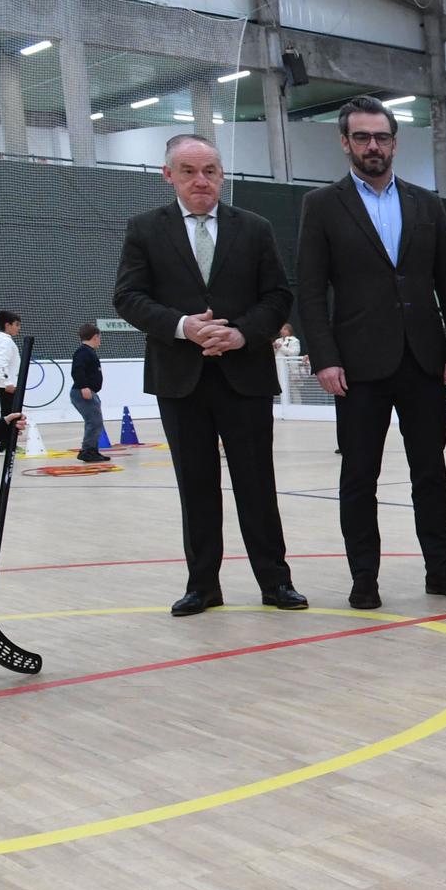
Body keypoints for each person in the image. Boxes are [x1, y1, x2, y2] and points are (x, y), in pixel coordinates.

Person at [295, 96, 446, 610]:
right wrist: (324, 357)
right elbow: (310, 290)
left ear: (395, 142)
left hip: (424, 360)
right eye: (362, 137)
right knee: (358, 476)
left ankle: (441, 570)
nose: (372, 146)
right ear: (345, 142)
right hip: (356, 366)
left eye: (381, 137)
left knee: (432, 474)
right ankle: (364, 578)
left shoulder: (426, 203)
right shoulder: (322, 205)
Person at [113, 133, 306, 616]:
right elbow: (129, 297)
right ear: (168, 175)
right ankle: (202, 585)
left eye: (210, 171)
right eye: (188, 171)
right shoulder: (144, 229)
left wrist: (241, 334)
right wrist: (183, 327)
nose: (201, 181)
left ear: (222, 175)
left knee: (256, 483)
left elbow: (278, 296)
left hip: (245, 375)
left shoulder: (255, 228)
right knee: (194, 484)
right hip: (179, 377)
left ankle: (275, 581)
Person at [70, 322, 110, 464]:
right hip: (83, 391)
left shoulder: (88, 352)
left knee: (94, 421)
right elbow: (77, 370)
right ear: (95, 337)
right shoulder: (83, 352)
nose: (100, 341)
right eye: (99, 338)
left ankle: (92, 450)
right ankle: (88, 451)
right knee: (94, 421)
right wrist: (84, 387)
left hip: (89, 390)